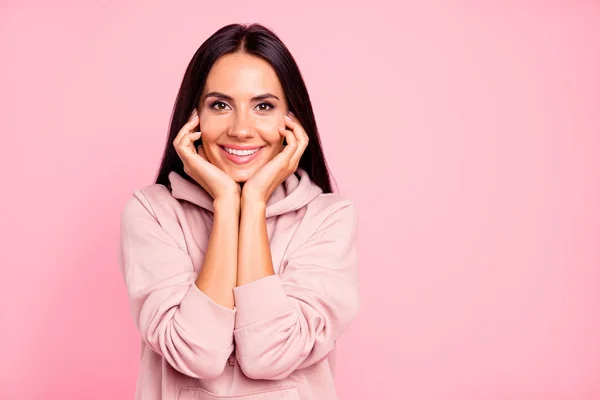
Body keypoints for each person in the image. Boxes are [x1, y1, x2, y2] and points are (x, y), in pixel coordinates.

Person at [118, 23, 360, 400]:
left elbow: (270, 354)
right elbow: (196, 354)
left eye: (263, 106)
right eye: (220, 105)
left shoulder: (328, 218)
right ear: (194, 117)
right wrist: (227, 203)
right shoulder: (152, 212)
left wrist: (256, 200)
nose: (242, 129)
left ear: (291, 120)